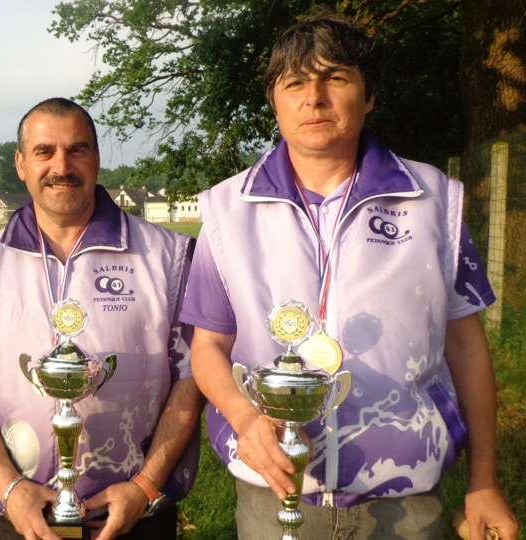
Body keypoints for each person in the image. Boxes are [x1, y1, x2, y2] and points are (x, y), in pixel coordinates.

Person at [180, 11, 520, 540]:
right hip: (275, 495)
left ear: (369, 96)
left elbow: (467, 346)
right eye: (294, 82)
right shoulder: (227, 210)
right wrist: (246, 419)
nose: (313, 97)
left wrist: (483, 481)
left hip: (407, 503)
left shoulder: (433, 200)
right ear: (275, 100)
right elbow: (208, 346)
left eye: (335, 78)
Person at [0, 97, 204, 540]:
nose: (61, 165)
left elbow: (192, 379)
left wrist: (144, 486)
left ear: (97, 159)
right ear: (21, 164)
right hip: (17, 514)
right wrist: (10, 489)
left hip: (134, 512)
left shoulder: (168, 256)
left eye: (77, 149)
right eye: (44, 152)